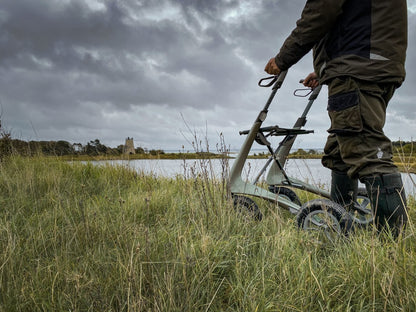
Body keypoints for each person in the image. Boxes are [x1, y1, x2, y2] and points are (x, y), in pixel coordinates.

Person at [264, 0, 408, 236]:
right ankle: (340, 224)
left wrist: (282, 59)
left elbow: (320, 12)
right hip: (374, 65)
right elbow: (357, 20)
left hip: (356, 67)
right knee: (341, 149)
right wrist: (324, 70)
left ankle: (393, 245)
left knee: (367, 152)